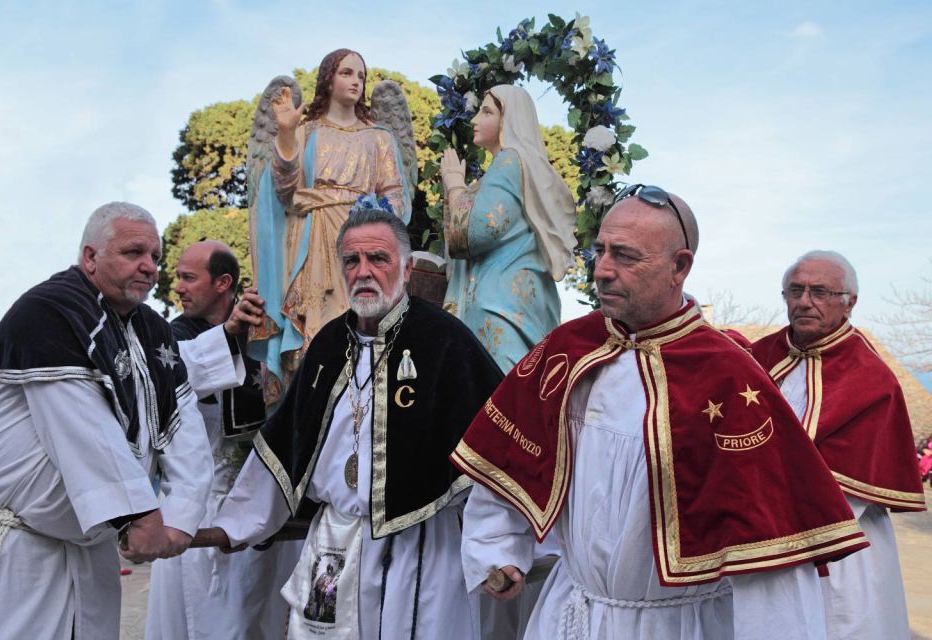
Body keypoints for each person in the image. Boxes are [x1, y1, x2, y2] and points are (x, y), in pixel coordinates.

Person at [452, 185, 870, 639]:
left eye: (626, 257)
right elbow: (507, 466)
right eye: (600, 251)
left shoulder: (728, 377)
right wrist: (495, 549)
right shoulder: (568, 350)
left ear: (680, 266)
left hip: (674, 625)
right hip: (569, 614)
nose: (603, 270)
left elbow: (771, 558)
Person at [201, 201, 502, 638]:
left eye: (378, 259)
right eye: (352, 260)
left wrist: (496, 548)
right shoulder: (325, 346)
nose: (364, 271)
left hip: (418, 548)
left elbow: (492, 456)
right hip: (333, 543)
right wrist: (233, 526)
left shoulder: (445, 341)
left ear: (403, 266)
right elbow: (283, 448)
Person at [0, 202, 212, 639]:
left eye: (155, 257)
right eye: (133, 252)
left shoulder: (152, 330)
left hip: (92, 550)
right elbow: (82, 429)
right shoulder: (50, 312)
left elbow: (183, 421)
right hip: (20, 550)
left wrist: (180, 515)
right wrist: (140, 517)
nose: (149, 266)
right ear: (90, 257)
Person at [750, 250, 926, 639]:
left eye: (820, 292)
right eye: (795, 290)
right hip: (757, 539)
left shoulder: (871, 378)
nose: (804, 301)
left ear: (850, 303)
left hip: (841, 544)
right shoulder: (757, 358)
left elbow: (852, 488)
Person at [145, 240, 298, 639]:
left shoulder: (265, 333)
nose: (177, 286)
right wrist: (227, 336)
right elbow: (176, 377)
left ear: (223, 282)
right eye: (178, 276)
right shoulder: (168, 337)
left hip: (260, 507)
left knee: (260, 620)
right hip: (200, 509)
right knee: (200, 622)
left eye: (187, 277)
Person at [249, 48, 412, 407]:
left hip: (361, 238)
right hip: (311, 240)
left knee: (360, 320)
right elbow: (284, 189)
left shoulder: (378, 138)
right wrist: (287, 135)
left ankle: (358, 404)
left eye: (361, 76)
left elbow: (396, 194)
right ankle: (309, 406)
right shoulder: (307, 131)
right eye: (347, 73)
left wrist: (376, 216)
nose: (356, 81)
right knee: (315, 329)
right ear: (328, 78)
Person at [440, 85, 576, 371]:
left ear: (510, 120)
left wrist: (454, 183)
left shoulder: (510, 160)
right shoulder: (516, 167)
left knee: (498, 398)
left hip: (499, 305)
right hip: (513, 298)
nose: (475, 119)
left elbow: (475, 231)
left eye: (487, 112)